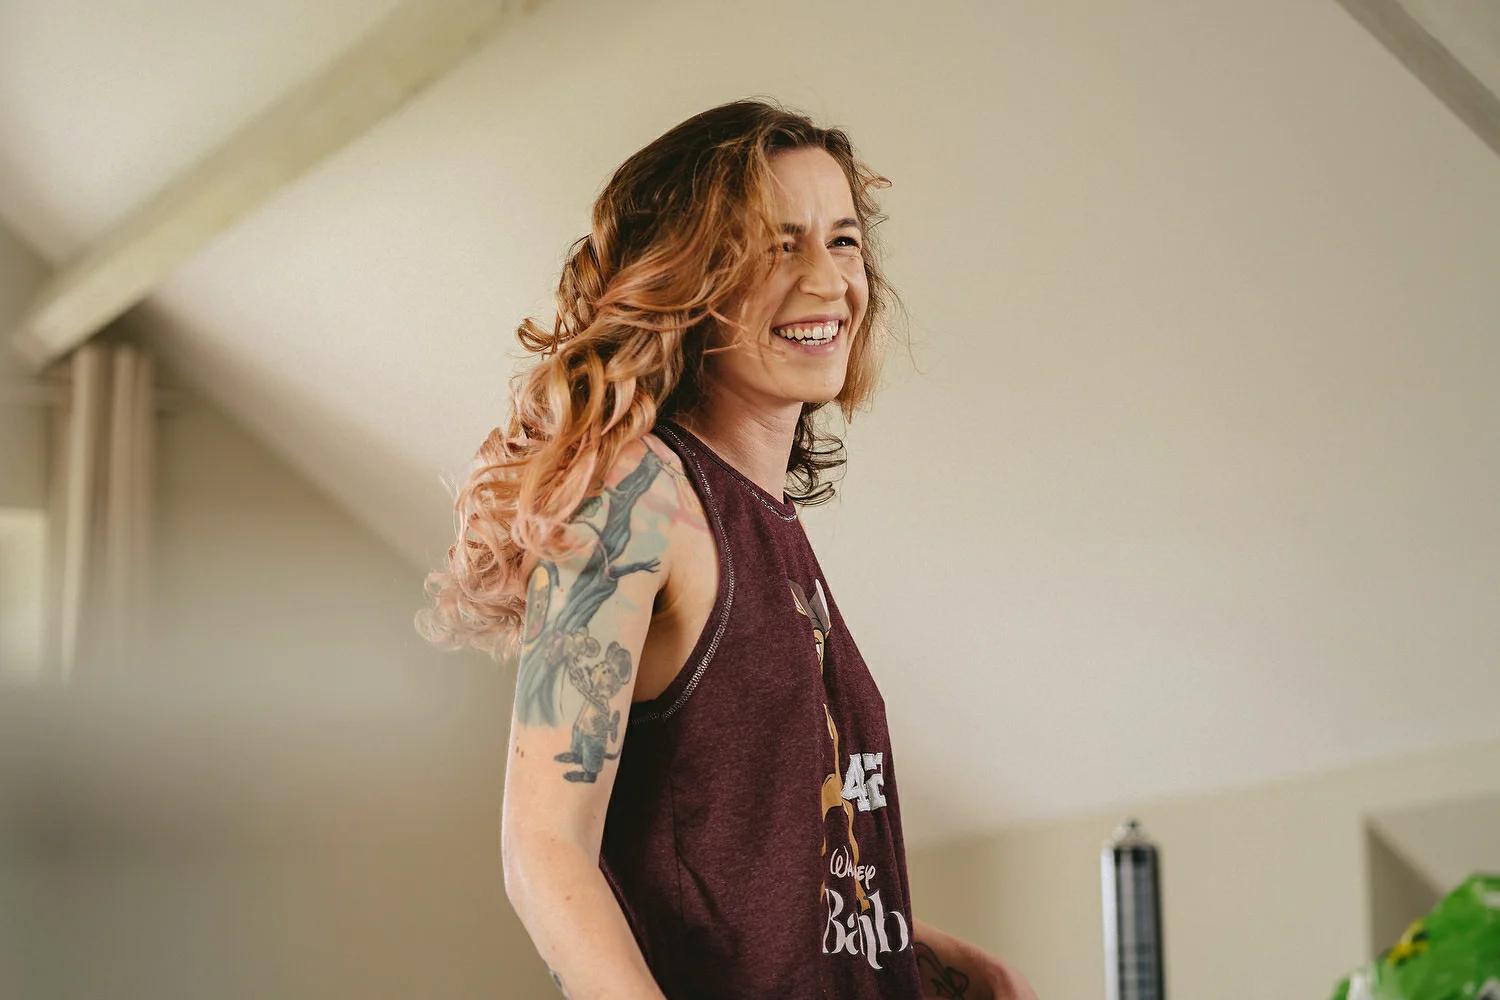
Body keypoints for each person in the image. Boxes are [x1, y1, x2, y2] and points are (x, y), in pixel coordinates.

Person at [418, 100, 1037, 1000]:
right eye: (777, 245)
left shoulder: (771, 528)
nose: (827, 282)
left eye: (843, 240)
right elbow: (543, 847)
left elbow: (778, 873)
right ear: (688, 277)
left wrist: (948, 967)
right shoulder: (638, 495)